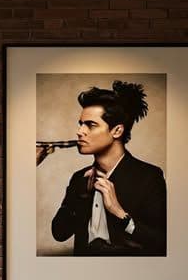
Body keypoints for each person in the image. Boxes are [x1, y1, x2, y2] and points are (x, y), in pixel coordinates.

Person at [40, 80, 166, 256]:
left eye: (90, 125)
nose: (80, 131)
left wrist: (120, 213)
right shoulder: (79, 178)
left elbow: (161, 243)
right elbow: (59, 233)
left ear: (117, 131)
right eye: (80, 123)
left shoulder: (149, 177)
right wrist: (82, 196)